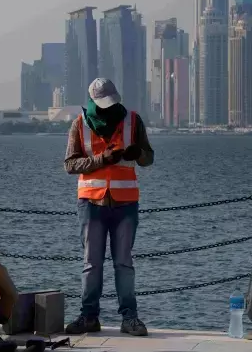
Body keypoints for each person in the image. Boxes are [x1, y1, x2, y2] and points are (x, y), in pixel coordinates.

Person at [63, 78, 154, 337]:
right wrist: (102, 159)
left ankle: (130, 318)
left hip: (125, 204)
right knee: (92, 264)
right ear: (92, 101)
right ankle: (89, 316)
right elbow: (70, 164)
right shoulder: (79, 124)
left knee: (124, 263)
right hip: (91, 203)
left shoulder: (133, 121)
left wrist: (138, 154)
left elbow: (149, 158)